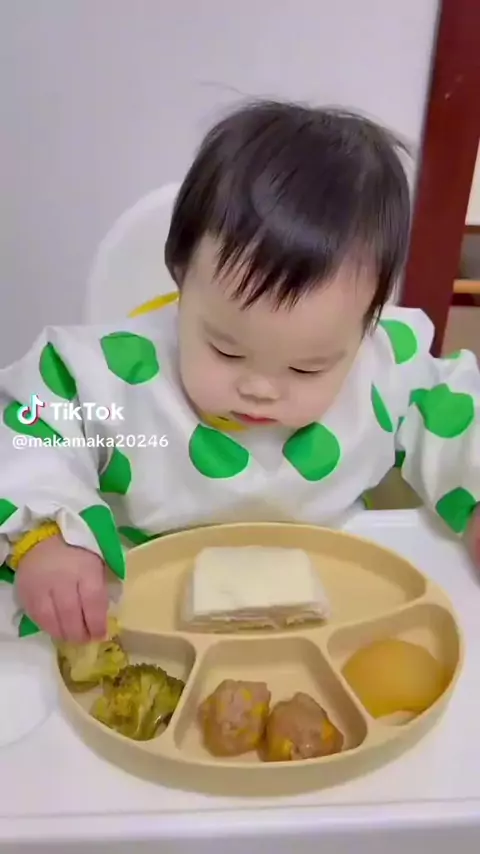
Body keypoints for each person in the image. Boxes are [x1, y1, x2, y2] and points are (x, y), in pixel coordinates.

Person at [0, 100, 479, 643]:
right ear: (180, 274)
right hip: (145, 621)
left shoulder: (383, 370)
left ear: (366, 323)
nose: (260, 388)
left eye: (307, 367)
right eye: (226, 351)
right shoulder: (112, 381)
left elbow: (456, 412)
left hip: (322, 619)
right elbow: (31, 428)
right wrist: (45, 538)